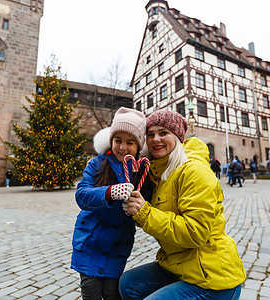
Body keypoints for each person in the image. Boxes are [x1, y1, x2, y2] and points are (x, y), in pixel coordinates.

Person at [120, 110, 245, 300]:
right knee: (128, 284)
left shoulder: (194, 171)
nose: (156, 139)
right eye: (151, 134)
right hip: (177, 265)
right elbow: (157, 212)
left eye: (163, 133)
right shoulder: (159, 172)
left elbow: (195, 233)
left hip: (212, 277)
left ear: (178, 137)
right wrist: (135, 210)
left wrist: (145, 213)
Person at [71, 107, 151, 300]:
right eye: (118, 141)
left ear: (139, 146)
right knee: (90, 292)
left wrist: (137, 208)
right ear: (111, 140)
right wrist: (109, 193)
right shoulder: (97, 164)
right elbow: (82, 195)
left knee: (112, 293)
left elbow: (147, 203)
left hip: (118, 243)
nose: (123, 147)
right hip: (91, 241)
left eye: (130, 142)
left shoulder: (141, 172)